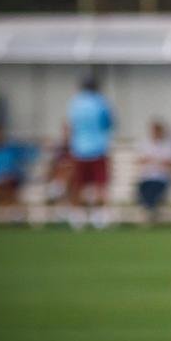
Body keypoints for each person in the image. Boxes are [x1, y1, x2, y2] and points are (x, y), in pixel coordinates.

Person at [66, 75, 113, 229]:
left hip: (79, 148)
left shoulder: (75, 102)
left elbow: (71, 125)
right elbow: (108, 124)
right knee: (101, 184)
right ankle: (100, 216)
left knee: (78, 184)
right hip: (98, 148)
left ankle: (77, 216)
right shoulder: (100, 102)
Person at [0, 123, 35, 220]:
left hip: (12, 179)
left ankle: (15, 214)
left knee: (5, 189)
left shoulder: (11, 149)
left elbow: (30, 154)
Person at [134, 119, 171, 223]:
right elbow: (140, 160)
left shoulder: (169, 145)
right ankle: (150, 211)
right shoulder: (145, 143)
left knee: (154, 189)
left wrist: (155, 161)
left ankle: (149, 212)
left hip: (162, 177)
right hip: (146, 177)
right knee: (143, 189)